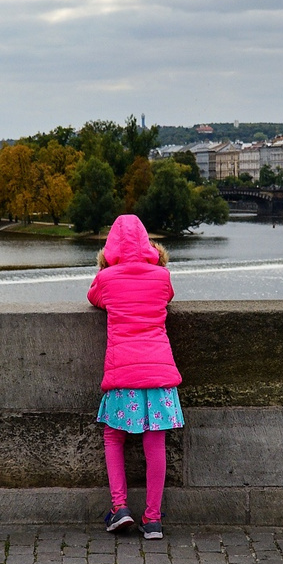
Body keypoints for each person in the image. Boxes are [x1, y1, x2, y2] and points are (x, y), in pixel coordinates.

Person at [86, 214, 183, 540]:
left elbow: (93, 298)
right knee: (155, 442)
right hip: (158, 373)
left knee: (114, 436)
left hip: (123, 372)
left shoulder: (107, 279)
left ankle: (120, 508)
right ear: (147, 244)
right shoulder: (162, 276)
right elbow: (167, 298)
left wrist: (105, 270)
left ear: (110, 247)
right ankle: (153, 519)